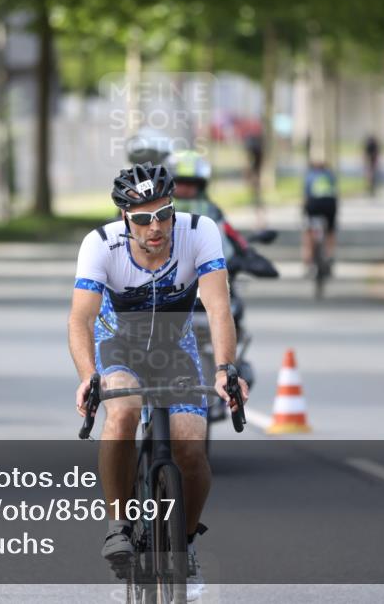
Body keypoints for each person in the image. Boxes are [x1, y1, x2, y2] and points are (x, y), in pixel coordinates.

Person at [69, 162, 249, 601]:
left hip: (176, 350)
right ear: (125, 217)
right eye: (144, 218)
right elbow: (81, 318)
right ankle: (118, 526)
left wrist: (226, 368)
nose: (157, 227)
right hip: (118, 348)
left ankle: (184, 544)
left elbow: (218, 307)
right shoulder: (100, 245)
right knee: (124, 411)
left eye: (164, 213)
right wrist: (88, 375)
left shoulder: (200, 231)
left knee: (190, 445)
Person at [302, 157, 338, 272]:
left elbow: (306, 196)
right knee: (330, 231)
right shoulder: (330, 175)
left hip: (314, 204)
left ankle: (308, 259)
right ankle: (330, 255)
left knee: (308, 230)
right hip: (329, 203)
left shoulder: (309, 175)